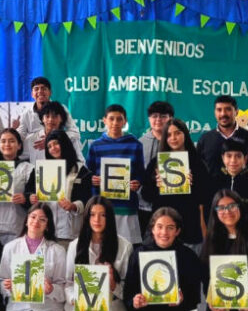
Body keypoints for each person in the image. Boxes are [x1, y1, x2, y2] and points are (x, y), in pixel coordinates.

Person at [65, 196, 133, 311]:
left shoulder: (124, 247)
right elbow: (68, 284)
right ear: (86, 218)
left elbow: (130, 288)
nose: (97, 220)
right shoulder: (74, 246)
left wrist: (114, 286)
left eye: (103, 215)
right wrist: (75, 300)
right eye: (92, 215)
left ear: (110, 218)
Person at [0, 204, 68, 311]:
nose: (36, 221)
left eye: (42, 219)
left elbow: (64, 287)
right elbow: (1, 281)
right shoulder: (11, 247)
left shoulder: (57, 251)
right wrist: (7, 286)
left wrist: (51, 289)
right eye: (33, 217)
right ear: (26, 220)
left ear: (48, 225)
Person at [140, 118, 207, 254]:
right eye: (169, 135)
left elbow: (206, 195)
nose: (173, 138)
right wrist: (156, 185)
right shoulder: (156, 163)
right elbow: (145, 195)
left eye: (177, 133)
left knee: (188, 270)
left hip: (189, 226)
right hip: (162, 227)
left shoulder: (197, 162)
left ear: (185, 135)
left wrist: (193, 185)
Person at [87, 104, 145, 245]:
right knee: (101, 245)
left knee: (127, 247)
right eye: (111, 119)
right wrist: (92, 179)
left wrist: (137, 183)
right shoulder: (96, 145)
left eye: (119, 119)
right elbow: (88, 173)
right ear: (104, 120)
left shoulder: (135, 144)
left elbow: (140, 173)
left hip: (126, 206)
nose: (115, 123)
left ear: (125, 122)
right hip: (102, 207)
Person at [25, 129, 93, 246]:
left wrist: (74, 206)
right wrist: (30, 197)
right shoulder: (40, 169)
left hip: (69, 232)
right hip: (44, 231)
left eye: (56, 143)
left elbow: (88, 197)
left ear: (65, 144)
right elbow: (28, 192)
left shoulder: (81, 170)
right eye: (49, 146)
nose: (53, 148)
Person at [0, 128, 34, 245]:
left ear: (19, 146)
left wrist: (25, 198)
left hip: (17, 226)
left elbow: (34, 196)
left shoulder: (28, 168)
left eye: (11, 141)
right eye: (3, 141)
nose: (7, 144)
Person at [138, 101, 175, 238]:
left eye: (163, 116)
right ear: (149, 119)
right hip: (143, 205)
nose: (158, 120)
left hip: (170, 204)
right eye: (154, 116)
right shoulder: (140, 143)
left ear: (170, 118)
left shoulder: (176, 142)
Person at [208, 138, 248, 225]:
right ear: (223, 158)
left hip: (246, 230)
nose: (233, 160)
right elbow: (210, 209)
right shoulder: (215, 178)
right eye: (229, 156)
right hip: (220, 229)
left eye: (238, 156)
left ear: (245, 159)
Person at [15, 77, 81, 150]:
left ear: (50, 92)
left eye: (44, 88)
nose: (40, 91)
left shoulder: (60, 108)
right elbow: (20, 135)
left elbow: (74, 132)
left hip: (58, 149)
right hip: (36, 150)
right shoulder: (26, 113)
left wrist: (54, 139)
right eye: (36, 89)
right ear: (32, 94)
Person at [195, 94, 248, 174]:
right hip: (210, 186)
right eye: (219, 110)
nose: (223, 114)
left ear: (236, 112)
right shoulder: (205, 139)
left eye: (228, 109)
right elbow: (197, 168)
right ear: (215, 112)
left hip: (242, 186)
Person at [21, 101, 83, 165]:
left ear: (61, 119)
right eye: (47, 116)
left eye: (54, 116)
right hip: (39, 174)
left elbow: (81, 163)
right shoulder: (31, 140)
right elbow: (17, 157)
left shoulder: (71, 139)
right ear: (42, 119)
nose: (50, 120)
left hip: (66, 174)